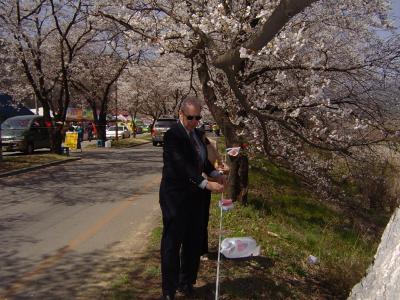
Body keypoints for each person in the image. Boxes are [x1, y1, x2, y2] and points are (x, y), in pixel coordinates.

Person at [159, 97, 226, 300]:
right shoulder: (173, 136)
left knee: (193, 241)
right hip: (175, 197)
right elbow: (182, 165)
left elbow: (202, 162)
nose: (195, 121)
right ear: (181, 114)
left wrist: (215, 174)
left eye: (198, 117)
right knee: (172, 243)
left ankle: (186, 281)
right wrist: (206, 183)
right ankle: (169, 290)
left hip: (195, 197)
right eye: (190, 117)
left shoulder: (198, 134)